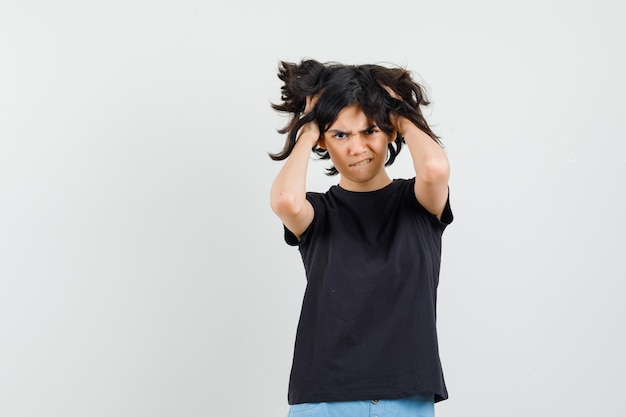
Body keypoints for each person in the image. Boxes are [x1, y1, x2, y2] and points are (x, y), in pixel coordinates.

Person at [269, 58, 453, 417]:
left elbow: (434, 168)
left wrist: (398, 112)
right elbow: (286, 200)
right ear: (324, 139)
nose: (356, 147)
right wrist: (308, 128)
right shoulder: (318, 214)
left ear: (390, 132)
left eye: (370, 130)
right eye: (340, 134)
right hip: (324, 399)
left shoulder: (418, 204)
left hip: (406, 398)